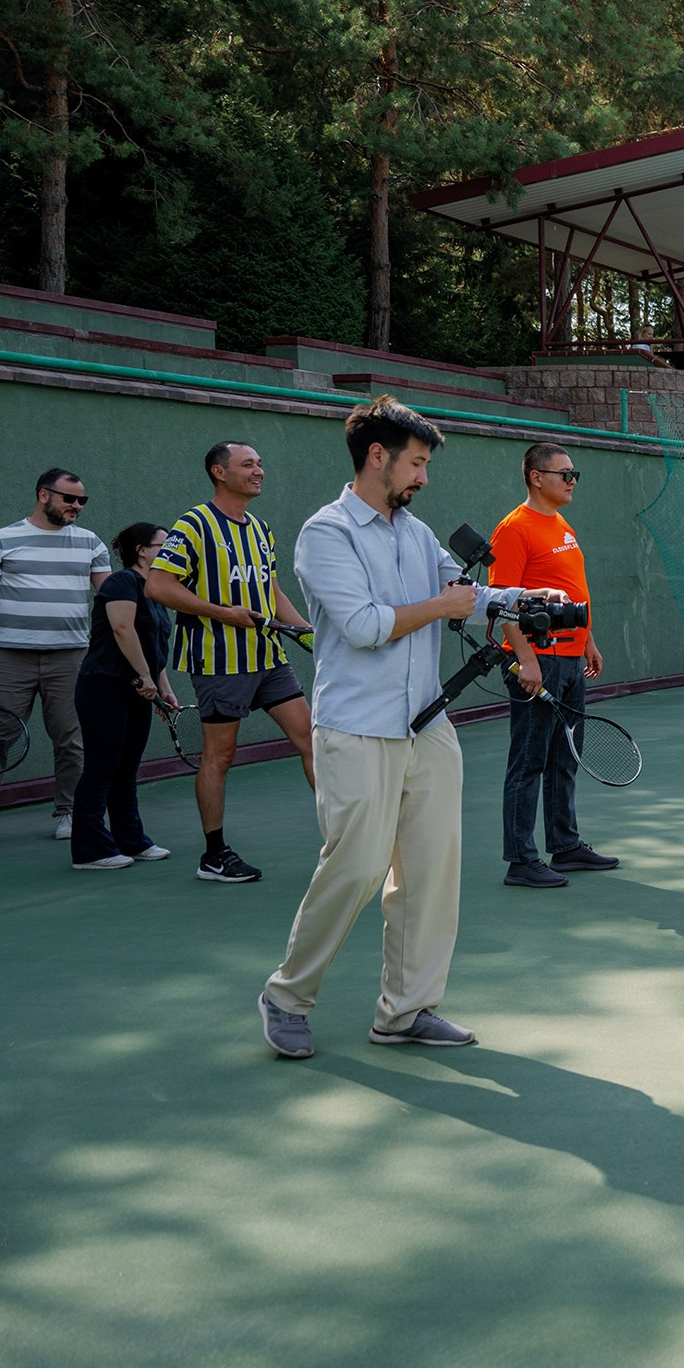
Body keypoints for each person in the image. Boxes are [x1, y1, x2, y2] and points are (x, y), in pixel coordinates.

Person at [255, 397, 550, 1060]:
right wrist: (446, 603)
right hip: (356, 728)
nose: (423, 477)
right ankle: (286, 996)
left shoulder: (414, 531)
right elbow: (363, 625)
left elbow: (463, 596)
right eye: (416, 463)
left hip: (427, 727)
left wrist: (526, 604)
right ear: (378, 457)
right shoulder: (325, 532)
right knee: (356, 866)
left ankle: (406, 1009)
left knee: (430, 871)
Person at [148, 441, 316, 885]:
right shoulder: (194, 525)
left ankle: (344, 839)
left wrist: (304, 630)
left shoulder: (260, 529)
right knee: (219, 757)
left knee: (312, 740)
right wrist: (222, 613)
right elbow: (159, 586)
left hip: (269, 659)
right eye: (248, 464)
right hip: (219, 663)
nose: (258, 470)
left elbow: (270, 590)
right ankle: (214, 855)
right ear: (219, 473)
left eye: (260, 463)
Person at [0, 468, 111, 847]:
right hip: (12, 657)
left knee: (72, 739)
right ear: (43, 495)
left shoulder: (91, 543)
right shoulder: (2, 540)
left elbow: (109, 599)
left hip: (71, 658)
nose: (76, 506)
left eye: (82, 500)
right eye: (69, 498)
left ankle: (70, 813)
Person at [491, 442, 619, 888]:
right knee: (529, 761)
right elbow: (501, 603)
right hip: (538, 660)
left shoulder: (561, 523)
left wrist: (588, 641)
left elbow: (571, 587)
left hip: (569, 658)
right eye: (564, 473)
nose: (572, 481)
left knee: (566, 755)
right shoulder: (514, 528)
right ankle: (520, 860)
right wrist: (525, 659)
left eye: (574, 473)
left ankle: (564, 846)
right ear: (535, 477)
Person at [69, 522, 180, 869]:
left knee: (126, 768)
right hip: (103, 685)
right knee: (102, 768)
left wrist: (162, 686)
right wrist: (144, 676)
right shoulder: (121, 582)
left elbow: (153, 644)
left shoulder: (155, 589)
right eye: (164, 545)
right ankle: (90, 850)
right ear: (141, 550)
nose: (171, 551)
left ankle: (131, 840)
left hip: (139, 690)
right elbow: (122, 628)